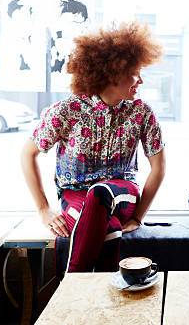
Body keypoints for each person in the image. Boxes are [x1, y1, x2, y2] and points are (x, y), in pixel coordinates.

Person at [21, 22, 166, 273]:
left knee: (101, 191)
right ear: (112, 73)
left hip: (123, 193)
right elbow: (28, 154)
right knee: (110, 231)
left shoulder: (142, 113)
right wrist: (44, 210)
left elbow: (159, 168)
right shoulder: (67, 111)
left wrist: (137, 217)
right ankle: (102, 301)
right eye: (135, 72)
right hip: (74, 194)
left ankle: (70, 290)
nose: (141, 80)